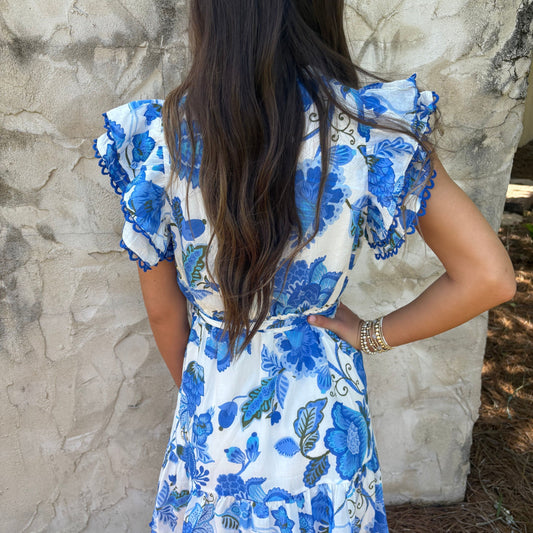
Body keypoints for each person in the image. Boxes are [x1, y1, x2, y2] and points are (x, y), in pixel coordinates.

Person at [94, 1, 516, 531]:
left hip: (216, 417)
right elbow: (489, 277)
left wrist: (210, 395)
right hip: (324, 418)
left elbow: (164, 314)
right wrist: (369, 334)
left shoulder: (161, 140)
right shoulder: (368, 132)